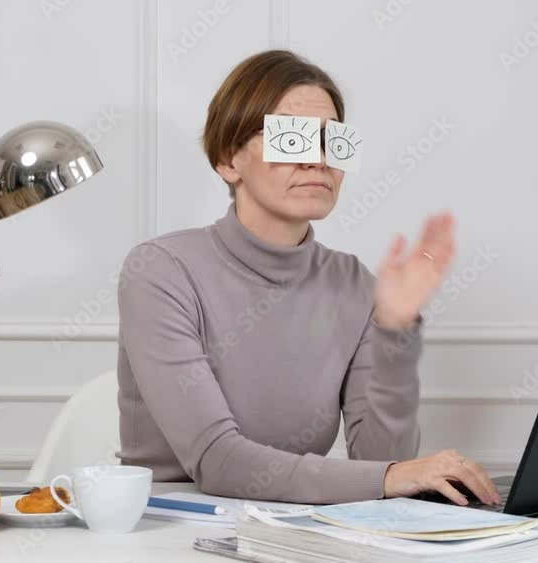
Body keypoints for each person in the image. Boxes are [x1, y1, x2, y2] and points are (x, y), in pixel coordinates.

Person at [116, 49, 498, 507]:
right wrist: (388, 476)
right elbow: (217, 461)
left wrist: (395, 331)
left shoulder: (353, 281)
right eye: (292, 139)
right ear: (228, 159)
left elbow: (381, 463)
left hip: (295, 525)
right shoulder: (161, 271)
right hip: (171, 525)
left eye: (334, 142)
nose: (318, 161)